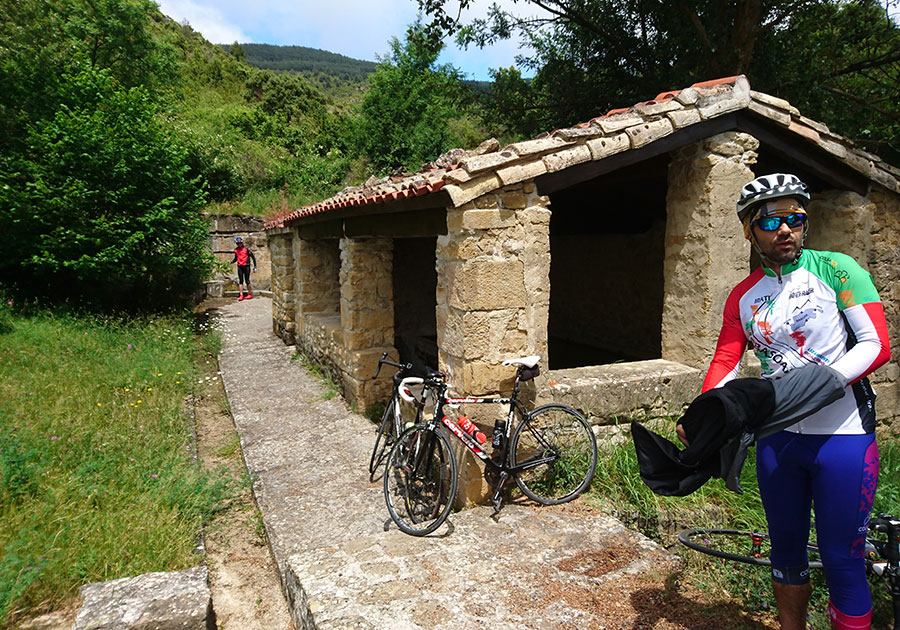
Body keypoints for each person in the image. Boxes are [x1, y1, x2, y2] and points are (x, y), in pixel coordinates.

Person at [682, 173, 891, 630]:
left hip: (843, 436)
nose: (785, 230)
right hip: (778, 440)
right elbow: (726, 358)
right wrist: (704, 413)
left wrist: (814, 386)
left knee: (841, 557)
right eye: (770, 221)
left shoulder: (838, 269)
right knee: (786, 551)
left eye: (795, 218)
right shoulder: (743, 295)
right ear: (750, 231)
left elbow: (876, 346)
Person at [231, 236, 257, 301]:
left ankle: (249, 294)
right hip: (240, 266)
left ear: (242, 243)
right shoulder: (236, 250)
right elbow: (236, 258)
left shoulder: (247, 249)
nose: (239, 244)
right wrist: (231, 262)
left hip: (246, 266)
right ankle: (241, 295)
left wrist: (255, 267)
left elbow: (253, 258)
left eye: (240, 243)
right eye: (238, 243)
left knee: (247, 280)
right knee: (241, 281)